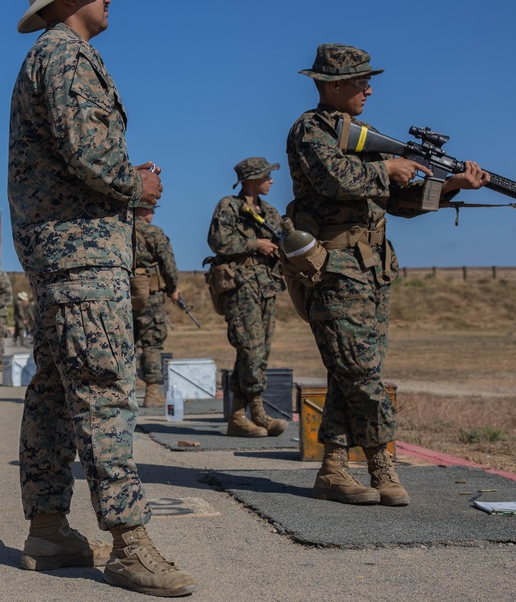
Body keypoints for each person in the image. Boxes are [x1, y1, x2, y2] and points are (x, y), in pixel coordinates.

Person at [9, 0, 196, 596]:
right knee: (103, 393)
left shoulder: (53, 57)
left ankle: (49, 527)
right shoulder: (66, 56)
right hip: (83, 255)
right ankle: (129, 544)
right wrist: (135, 181)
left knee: (58, 390)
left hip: (67, 253)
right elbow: (89, 152)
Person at [286, 43, 488, 507]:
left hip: (372, 270)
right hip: (334, 269)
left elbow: (397, 203)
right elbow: (335, 178)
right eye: (360, 81)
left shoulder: (363, 133)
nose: (369, 89)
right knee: (360, 373)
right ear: (333, 85)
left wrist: (449, 185)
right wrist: (388, 168)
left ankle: (334, 469)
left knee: (351, 371)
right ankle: (382, 463)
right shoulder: (310, 129)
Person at [207, 158, 289, 438]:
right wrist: (256, 244)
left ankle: (239, 416)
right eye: (267, 176)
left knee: (260, 352)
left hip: (266, 287)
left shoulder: (270, 213)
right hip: (241, 286)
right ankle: (256, 411)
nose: (271, 180)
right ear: (252, 180)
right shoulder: (229, 207)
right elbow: (218, 241)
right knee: (250, 349)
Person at [132, 202, 181, 409]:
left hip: (123, 294)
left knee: (127, 341)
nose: (152, 213)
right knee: (151, 340)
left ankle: (126, 386)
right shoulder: (153, 232)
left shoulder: (119, 231)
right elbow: (168, 263)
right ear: (141, 210)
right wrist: (173, 288)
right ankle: (152, 391)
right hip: (150, 294)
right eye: (150, 209)